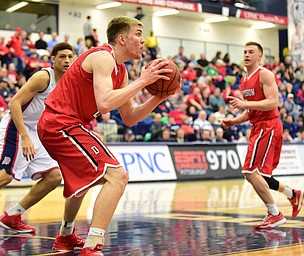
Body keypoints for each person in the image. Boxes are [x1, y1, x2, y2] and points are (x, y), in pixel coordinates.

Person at [37, 16, 175, 255]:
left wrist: (157, 98)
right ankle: (92, 246)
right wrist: (143, 81)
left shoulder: (120, 71)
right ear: (122, 39)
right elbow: (104, 103)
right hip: (60, 124)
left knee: (80, 184)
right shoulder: (102, 57)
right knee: (117, 176)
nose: (143, 41)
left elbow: (130, 117)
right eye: (138, 34)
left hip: (66, 125)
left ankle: (66, 236)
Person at [221, 41, 304, 229]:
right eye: (244, 52)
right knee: (261, 175)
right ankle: (293, 194)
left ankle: (275, 214)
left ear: (259, 56)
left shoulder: (265, 74)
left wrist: (245, 105)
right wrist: (233, 121)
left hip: (268, 126)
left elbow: (272, 102)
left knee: (250, 171)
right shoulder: (244, 80)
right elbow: (251, 110)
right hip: (259, 126)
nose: (246, 55)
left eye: (251, 52)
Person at [0, 43, 74, 233]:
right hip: (17, 126)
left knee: (54, 176)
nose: (66, 60)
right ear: (53, 59)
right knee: (6, 175)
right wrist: (25, 136)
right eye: (62, 57)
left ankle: (13, 216)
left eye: (70, 57)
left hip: (37, 132)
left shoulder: (69, 83)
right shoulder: (43, 77)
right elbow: (14, 103)